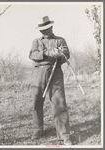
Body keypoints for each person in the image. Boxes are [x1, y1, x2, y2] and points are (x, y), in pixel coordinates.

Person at [29, 16, 72, 145]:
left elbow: (66, 54)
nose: (43, 32)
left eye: (45, 29)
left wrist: (60, 54)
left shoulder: (60, 40)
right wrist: (48, 52)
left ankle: (64, 135)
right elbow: (32, 54)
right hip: (38, 72)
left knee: (59, 102)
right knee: (36, 101)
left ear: (51, 27)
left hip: (55, 72)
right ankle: (38, 129)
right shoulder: (36, 41)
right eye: (41, 30)